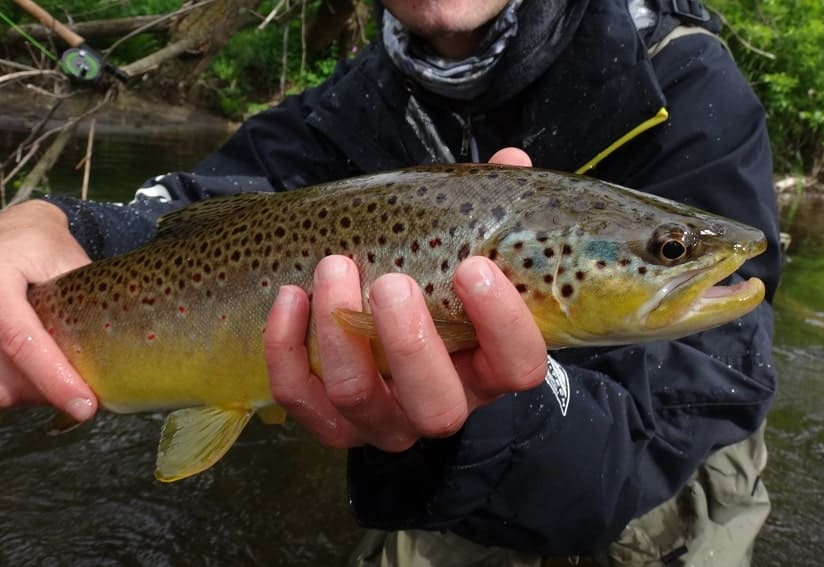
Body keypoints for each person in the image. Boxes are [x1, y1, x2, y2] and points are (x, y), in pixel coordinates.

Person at [0, 0, 781, 564]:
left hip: (670, 479)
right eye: (674, 248)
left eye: (670, 248)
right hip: (435, 474)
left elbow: (698, 401)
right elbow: (194, 214)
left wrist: (506, 404)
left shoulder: (686, 90)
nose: (691, 253)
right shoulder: (337, 114)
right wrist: (69, 229)